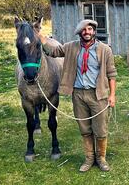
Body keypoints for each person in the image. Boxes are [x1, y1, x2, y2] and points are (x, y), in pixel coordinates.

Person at [37, 19, 117, 172]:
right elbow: (53, 51)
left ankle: (101, 158)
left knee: (100, 130)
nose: (87, 32)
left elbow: (112, 74)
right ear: (80, 33)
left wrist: (112, 95)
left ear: (94, 31)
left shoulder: (104, 49)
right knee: (85, 129)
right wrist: (40, 36)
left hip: (98, 94)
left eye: (89, 29)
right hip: (78, 95)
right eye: (83, 30)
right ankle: (89, 159)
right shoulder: (71, 47)